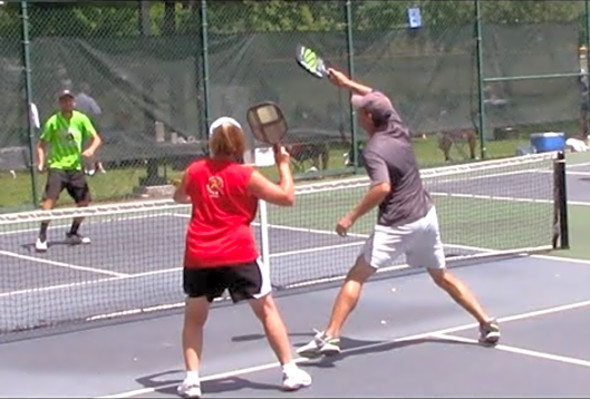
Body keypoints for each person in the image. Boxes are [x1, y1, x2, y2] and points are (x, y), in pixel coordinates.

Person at [296, 68, 501, 359]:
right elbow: (378, 96)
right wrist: (345, 84)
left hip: (397, 224)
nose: (358, 114)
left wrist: (350, 217)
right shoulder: (396, 125)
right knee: (442, 276)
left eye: (361, 112)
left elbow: (382, 187)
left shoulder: (374, 150)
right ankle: (486, 323)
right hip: (426, 217)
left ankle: (330, 336)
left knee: (356, 276)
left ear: (369, 119)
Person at [172, 116, 312, 398]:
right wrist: (284, 165)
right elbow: (287, 197)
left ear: (212, 142)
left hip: (200, 255)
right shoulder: (246, 175)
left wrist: (204, 192)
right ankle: (289, 371)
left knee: (194, 319)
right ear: (239, 141)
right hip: (238, 253)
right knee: (267, 310)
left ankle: (192, 380)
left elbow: (179, 197)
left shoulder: (195, 171)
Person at [35, 89, 102, 252]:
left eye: (70, 100)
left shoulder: (81, 119)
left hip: (75, 169)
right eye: (64, 100)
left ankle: (73, 233)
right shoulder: (53, 122)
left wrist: (91, 150)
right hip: (57, 167)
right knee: (49, 201)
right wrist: (41, 162)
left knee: (84, 202)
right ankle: (42, 236)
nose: (67, 103)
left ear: (74, 102)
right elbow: (41, 145)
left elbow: (96, 139)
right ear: (60, 103)